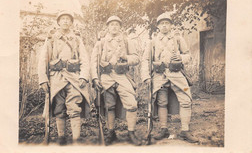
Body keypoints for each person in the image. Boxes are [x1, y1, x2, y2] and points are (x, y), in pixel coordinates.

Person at [141, 13, 198, 143]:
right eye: (162, 23)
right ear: (158, 26)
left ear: (171, 25)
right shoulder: (153, 41)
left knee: (186, 101)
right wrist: (146, 76)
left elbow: (188, 55)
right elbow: (145, 60)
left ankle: (185, 131)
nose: (164, 25)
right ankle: (163, 129)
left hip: (177, 75)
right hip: (159, 76)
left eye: (167, 23)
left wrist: (181, 58)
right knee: (162, 102)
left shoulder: (178, 39)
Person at [38, 10, 90, 145]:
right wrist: (43, 79)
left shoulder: (77, 39)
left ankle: (76, 139)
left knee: (74, 107)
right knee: (59, 108)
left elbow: (84, 58)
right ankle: (61, 137)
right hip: (56, 78)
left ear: (72, 23)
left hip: (74, 78)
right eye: (63, 19)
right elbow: (43, 60)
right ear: (59, 22)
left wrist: (84, 76)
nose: (66, 21)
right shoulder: (51, 39)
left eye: (68, 19)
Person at [90, 16, 142, 146]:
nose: (114, 27)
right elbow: (93, 62)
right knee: (109, 106)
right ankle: (111, 132)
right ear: (107, 27)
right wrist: (95, 78)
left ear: (120, 27)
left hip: (122, 76)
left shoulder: (126, 41)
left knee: (132, 104)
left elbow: (136, 59)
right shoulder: (101, 43)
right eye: (111, 24)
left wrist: (125, 57)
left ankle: (131, 133)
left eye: (116, 24)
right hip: (106, 77)